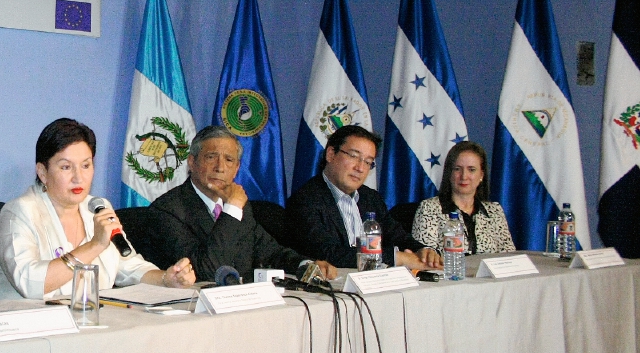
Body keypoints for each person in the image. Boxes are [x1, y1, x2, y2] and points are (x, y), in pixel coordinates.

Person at [0, 118, 196, 304]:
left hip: (76, 326)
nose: (78, 177)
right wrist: (94, 246)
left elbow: (128, 265)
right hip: (8, 330)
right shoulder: (19, 212)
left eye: (85, 165)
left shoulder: (97, 208)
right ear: (43, 172)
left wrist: (166, 279)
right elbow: (30, 283)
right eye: (65, 167)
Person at [150, 126, 338, 283]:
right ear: (192, 162)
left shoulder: (240, 206)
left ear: (237, 168)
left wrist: (305, 265)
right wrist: (231, 209)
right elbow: (205, 271)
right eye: (211, 157)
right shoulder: (168, 210)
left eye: (229, 160)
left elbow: (270, 251)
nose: (220, 167)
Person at [286, 125, 442, 271]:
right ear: (331, 154)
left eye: (368, 162)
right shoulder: (305, 200)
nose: (360, 168)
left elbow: (396, 235)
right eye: (354, 156)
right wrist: (397, 258)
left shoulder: (370, 198)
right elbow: (327, 253)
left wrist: (423, 250)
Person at [413, 141, 515, 255]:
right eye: (457, 169)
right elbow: (425, 260)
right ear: (449, 173)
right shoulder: (429, 209)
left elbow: (508, 256)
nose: (464, 176)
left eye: (471, 169)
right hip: (445, 273)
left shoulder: (494, 211)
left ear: (481, 175)